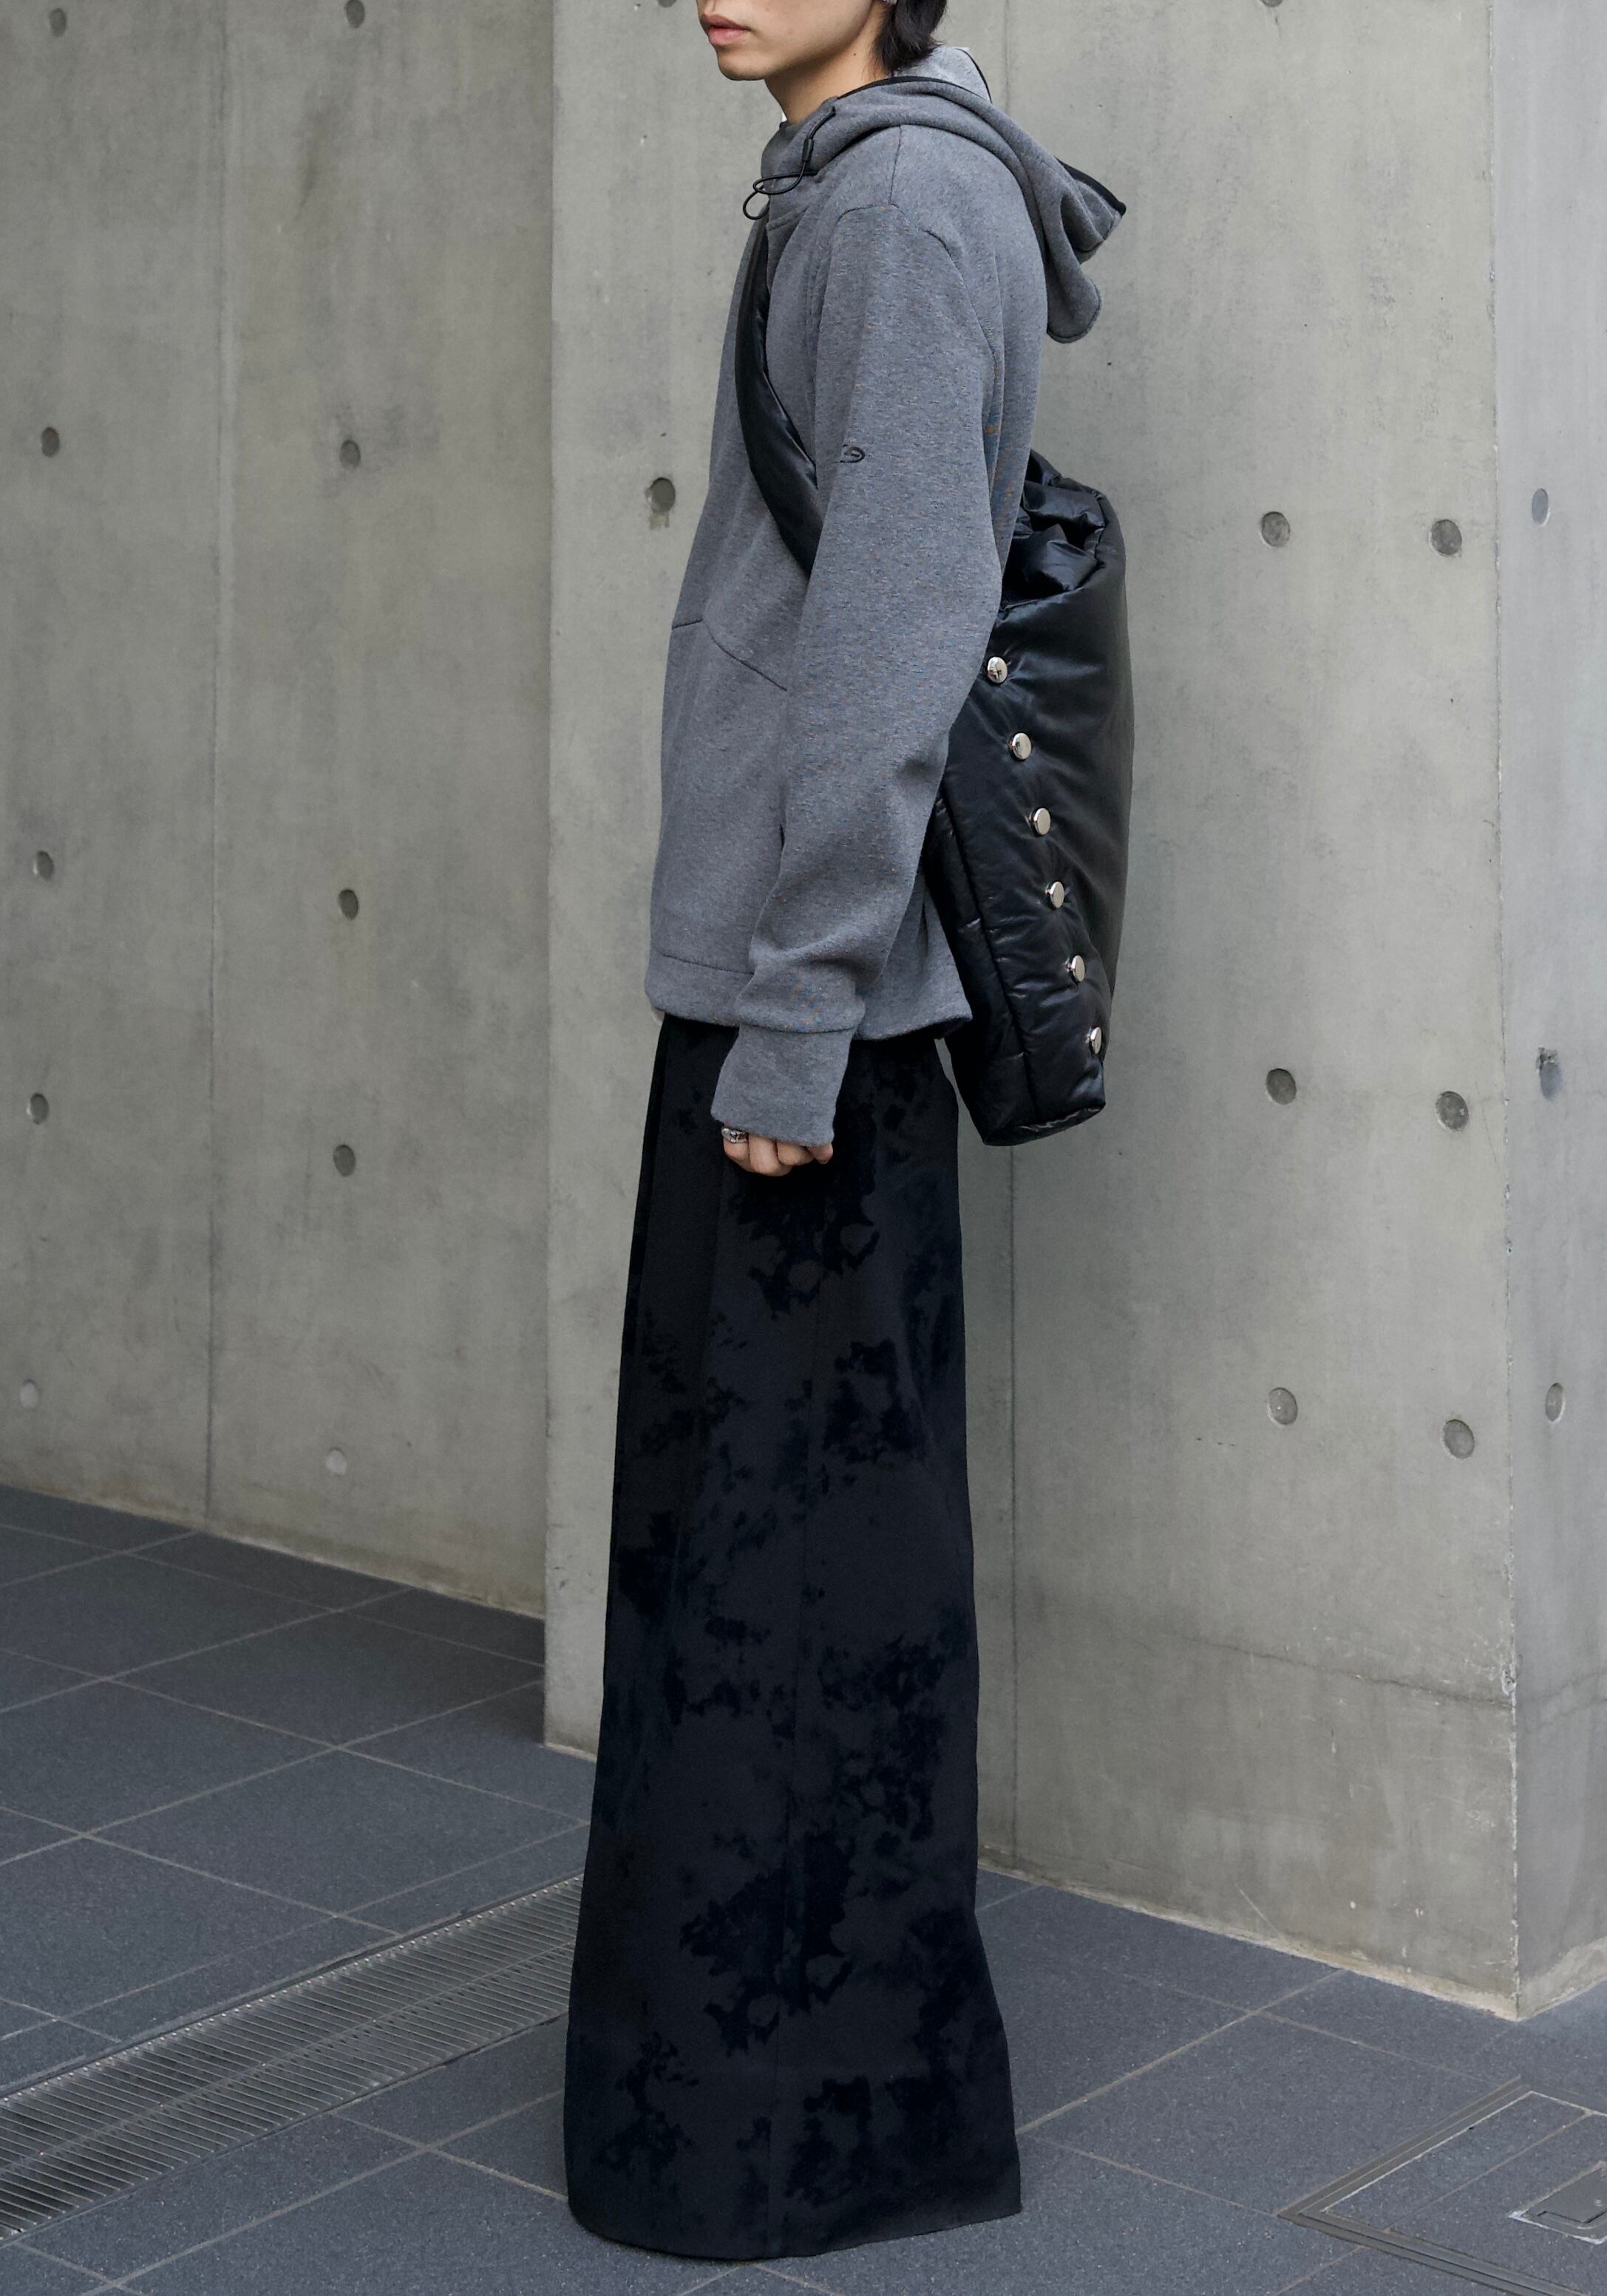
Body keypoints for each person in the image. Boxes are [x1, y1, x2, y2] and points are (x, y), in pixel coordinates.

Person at [562, 0, 1122, 2263]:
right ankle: (770, 2105)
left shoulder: (896, 209)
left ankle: (800, 2123)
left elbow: (893, 636)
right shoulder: (838, 183)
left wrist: (792, 1024)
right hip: (783, 989)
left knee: (784, 1590)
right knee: (761, 1569)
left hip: (816, 1014)